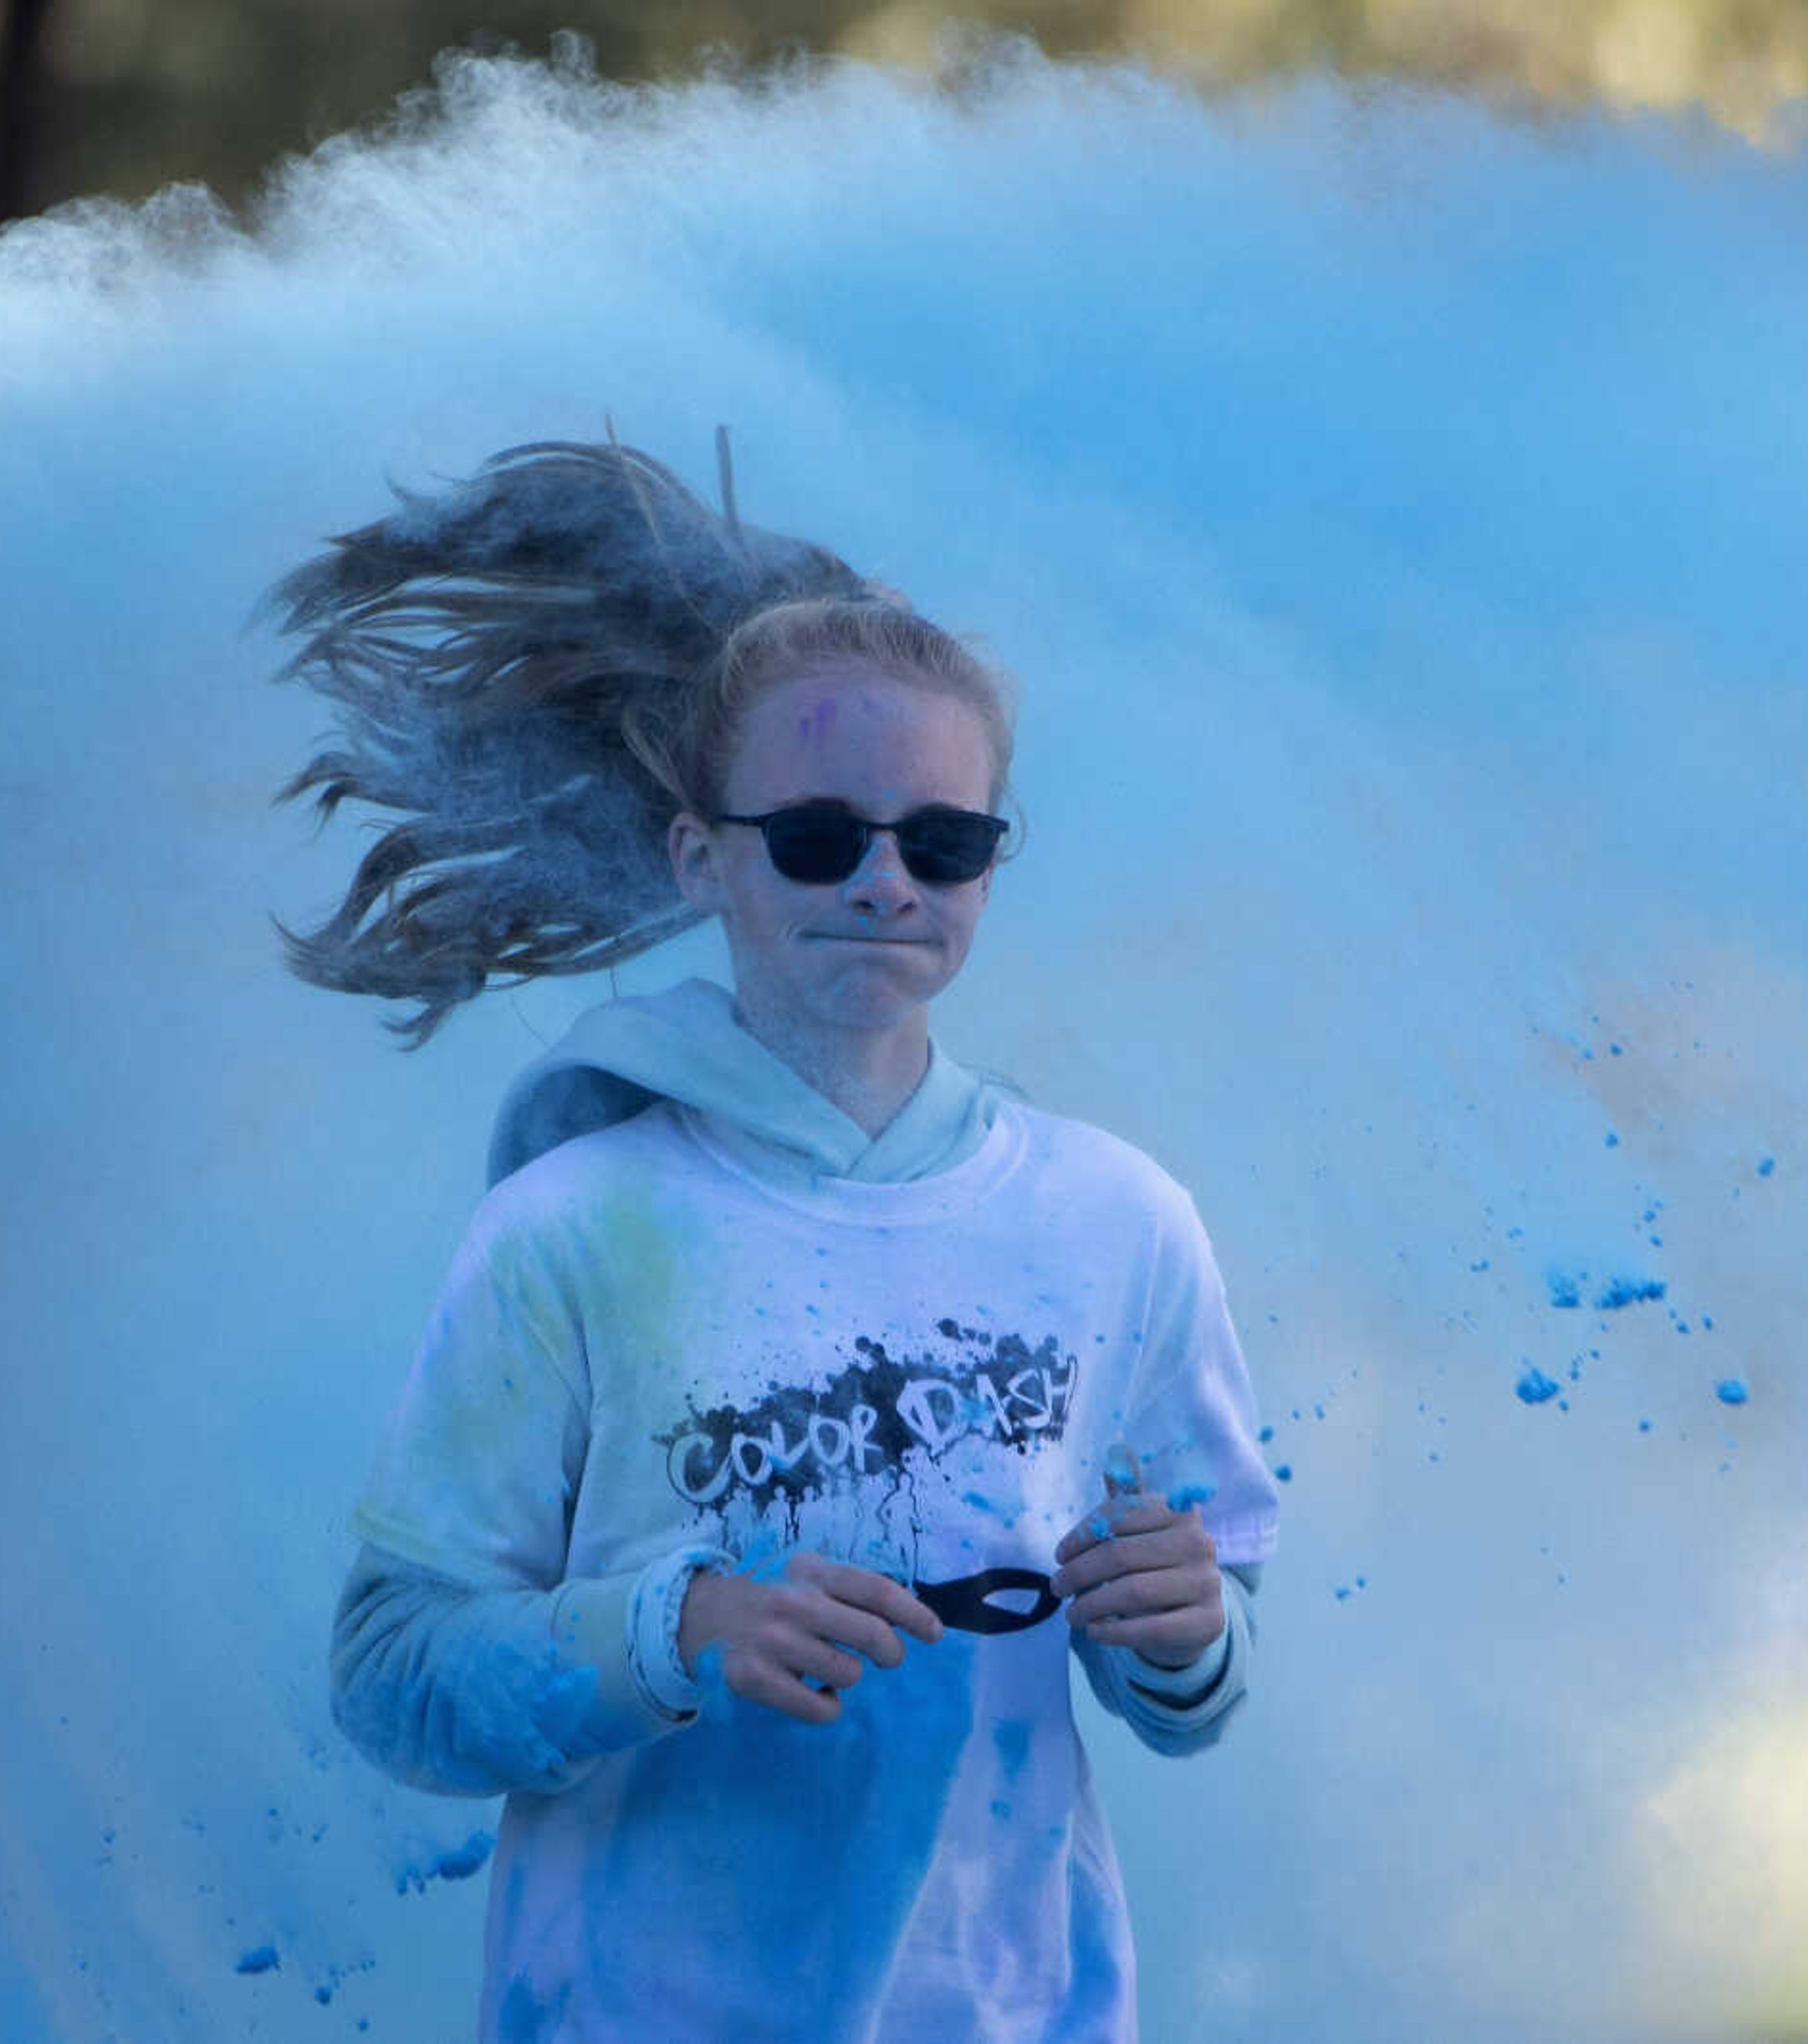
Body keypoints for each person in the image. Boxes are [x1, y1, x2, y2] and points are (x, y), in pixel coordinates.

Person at [283, 436, 1279, 2042]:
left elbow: (1193, 1685)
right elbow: (392, 1669)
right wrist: (671, 1629)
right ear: (704, 858)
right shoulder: (575, 1228)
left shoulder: (1120, 1222)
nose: (887, 883)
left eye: (943, 843)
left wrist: (1192, 1631)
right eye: (821, 838)